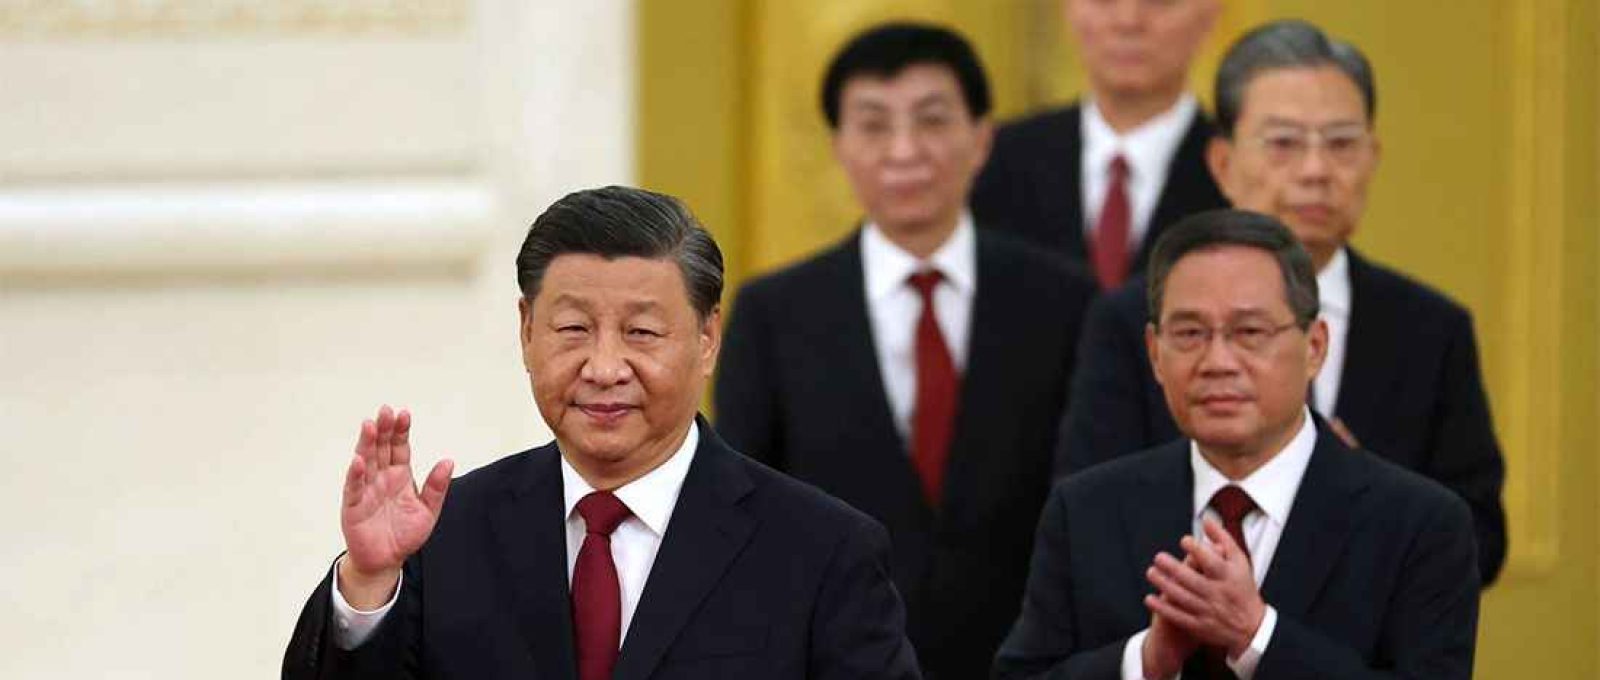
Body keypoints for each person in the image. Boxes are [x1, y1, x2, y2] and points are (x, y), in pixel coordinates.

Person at [281, 186, 921, 679]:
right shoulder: (443, 536)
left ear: (707, 338)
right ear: (527, 331)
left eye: (641, 332)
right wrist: (368, 583)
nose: (605, 367)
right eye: (573, 330)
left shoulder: (823, 551)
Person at [1054, 19, 1507, 585]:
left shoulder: (1430, 330)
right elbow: (1087, 518)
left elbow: (1481, 539)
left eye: (1341, 144)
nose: (1316, 171)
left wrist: (1366, 495)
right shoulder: (1131, 319)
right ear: (1222, 163)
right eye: (1284, 143)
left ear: (1373, 156)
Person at [714, 22, 1097, 679]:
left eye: (932, 120)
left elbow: (1088, 496)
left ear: (982, 138)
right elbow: (744, 509)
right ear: (839, 146)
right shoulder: (773, 313)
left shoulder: (1066, 301)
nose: (904, 150)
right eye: (873, 124)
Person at [995, 209, 1480, 679]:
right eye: (1190, 333)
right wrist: (1144, 663)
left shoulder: (1421, 524)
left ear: (1315, 347)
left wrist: (1257, 637)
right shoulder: (1086, 511)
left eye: (1249, 332)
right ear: (1155, 354)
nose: (1218, 362)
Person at [971, 0, 1227, 289]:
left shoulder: (1240, 169)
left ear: (1210, 13)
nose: (1128, 21)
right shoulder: (993, 159)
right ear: (1068, 9)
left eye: (1158, 1)